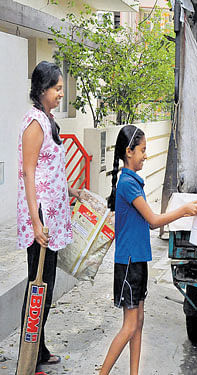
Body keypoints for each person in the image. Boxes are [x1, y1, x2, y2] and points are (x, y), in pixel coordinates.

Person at [100, 125, 197, 375]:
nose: (146, 155)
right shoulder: (128, 184)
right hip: (129, 262)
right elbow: (154, 220)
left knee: (138, 323)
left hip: (138, 259)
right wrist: (183, 210)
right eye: (143, 150)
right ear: (129, 152)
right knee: (129, 325)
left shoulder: (132, 180)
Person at [17, 61, 81, 373]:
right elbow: (28, 173)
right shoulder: (34, 123)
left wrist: (70, 191)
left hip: (52, 215)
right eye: (57, 88)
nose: (61, 93)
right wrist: (36, 221)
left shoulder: (46, 119)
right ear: (43, 90)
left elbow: (48, 168)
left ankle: (38, 348)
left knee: (47, 286)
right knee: (37, 286)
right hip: (41, 216)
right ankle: (28, 356)